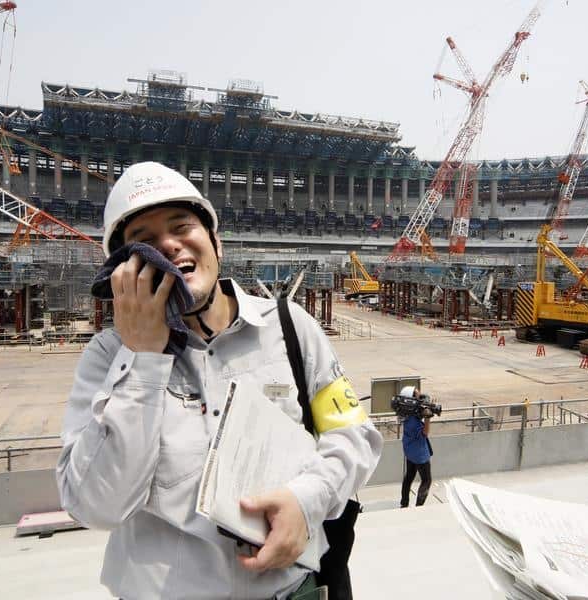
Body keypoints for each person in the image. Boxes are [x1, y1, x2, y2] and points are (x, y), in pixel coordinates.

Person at [56, 161, 384, 600]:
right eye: (146, 241)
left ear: (216, 243)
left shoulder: (291, 328)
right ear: (124, 271)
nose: (169, 245)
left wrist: (307, 501)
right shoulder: (107, 359)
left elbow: (354, 435)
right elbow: (97, 506)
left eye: (182, 226)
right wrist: (142, 358)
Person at [399, 386, 433, 508]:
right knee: (426, 480)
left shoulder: (406, 415)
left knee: (409, 477)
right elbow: (425, 432)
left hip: (410, 452)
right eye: (418, 397)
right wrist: (428, 418)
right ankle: (419, 506)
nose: (420, 399)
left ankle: (404, 503)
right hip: (419, 455)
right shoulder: (413, 421)